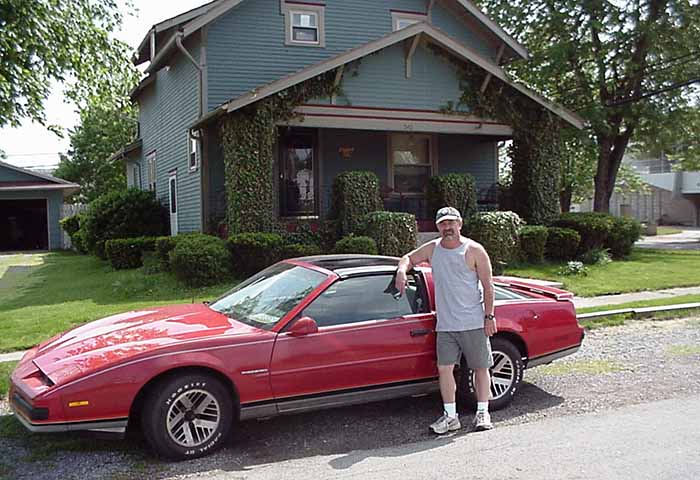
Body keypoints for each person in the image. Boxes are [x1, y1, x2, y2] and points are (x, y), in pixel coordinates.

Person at [395, 206, 496, 434]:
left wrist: (489, 316)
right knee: (445, 369)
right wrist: (402, 271)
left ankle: (483, 412)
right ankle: (451, 417)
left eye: (451, 223)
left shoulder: (474, 250)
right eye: (443, 224)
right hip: (446, 325)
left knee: (480, 368)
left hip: (473, 322)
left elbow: (489, 287)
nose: (447, 227)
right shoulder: (433, 249)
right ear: (438, 226)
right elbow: (409, 258)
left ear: (459, 224)